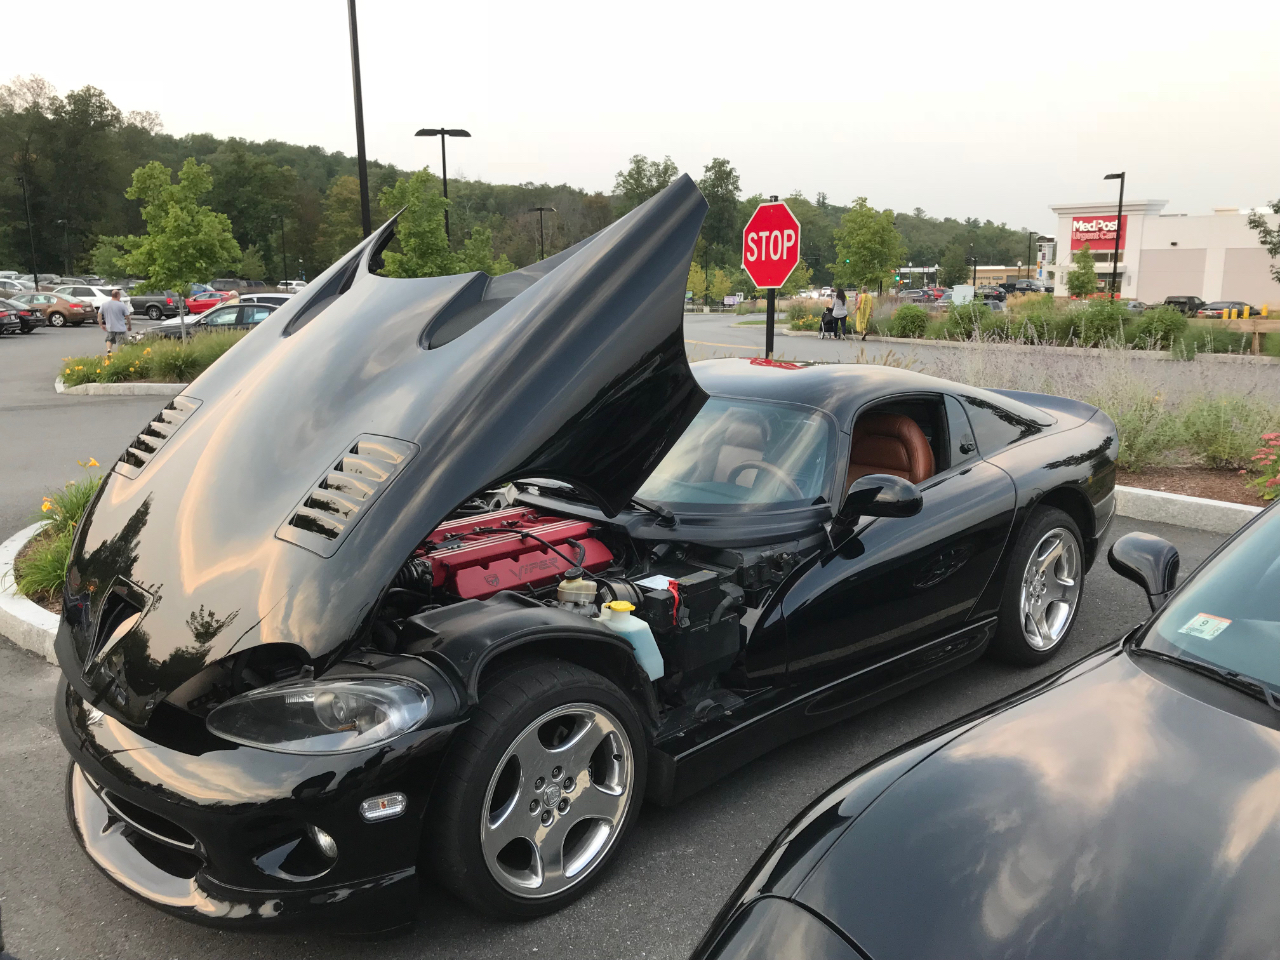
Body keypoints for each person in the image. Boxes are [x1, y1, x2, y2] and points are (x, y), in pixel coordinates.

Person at [98, 288, 131, 355]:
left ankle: (109, 350)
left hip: (110, 327)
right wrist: (129, 325)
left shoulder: (104, 304)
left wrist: (101, 324)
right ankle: (120, 355)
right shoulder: (122, 305)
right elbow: (127, 316)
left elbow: (99, 314)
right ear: (118, 295)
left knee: (109, 340)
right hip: (120, 328)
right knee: (121, 343)